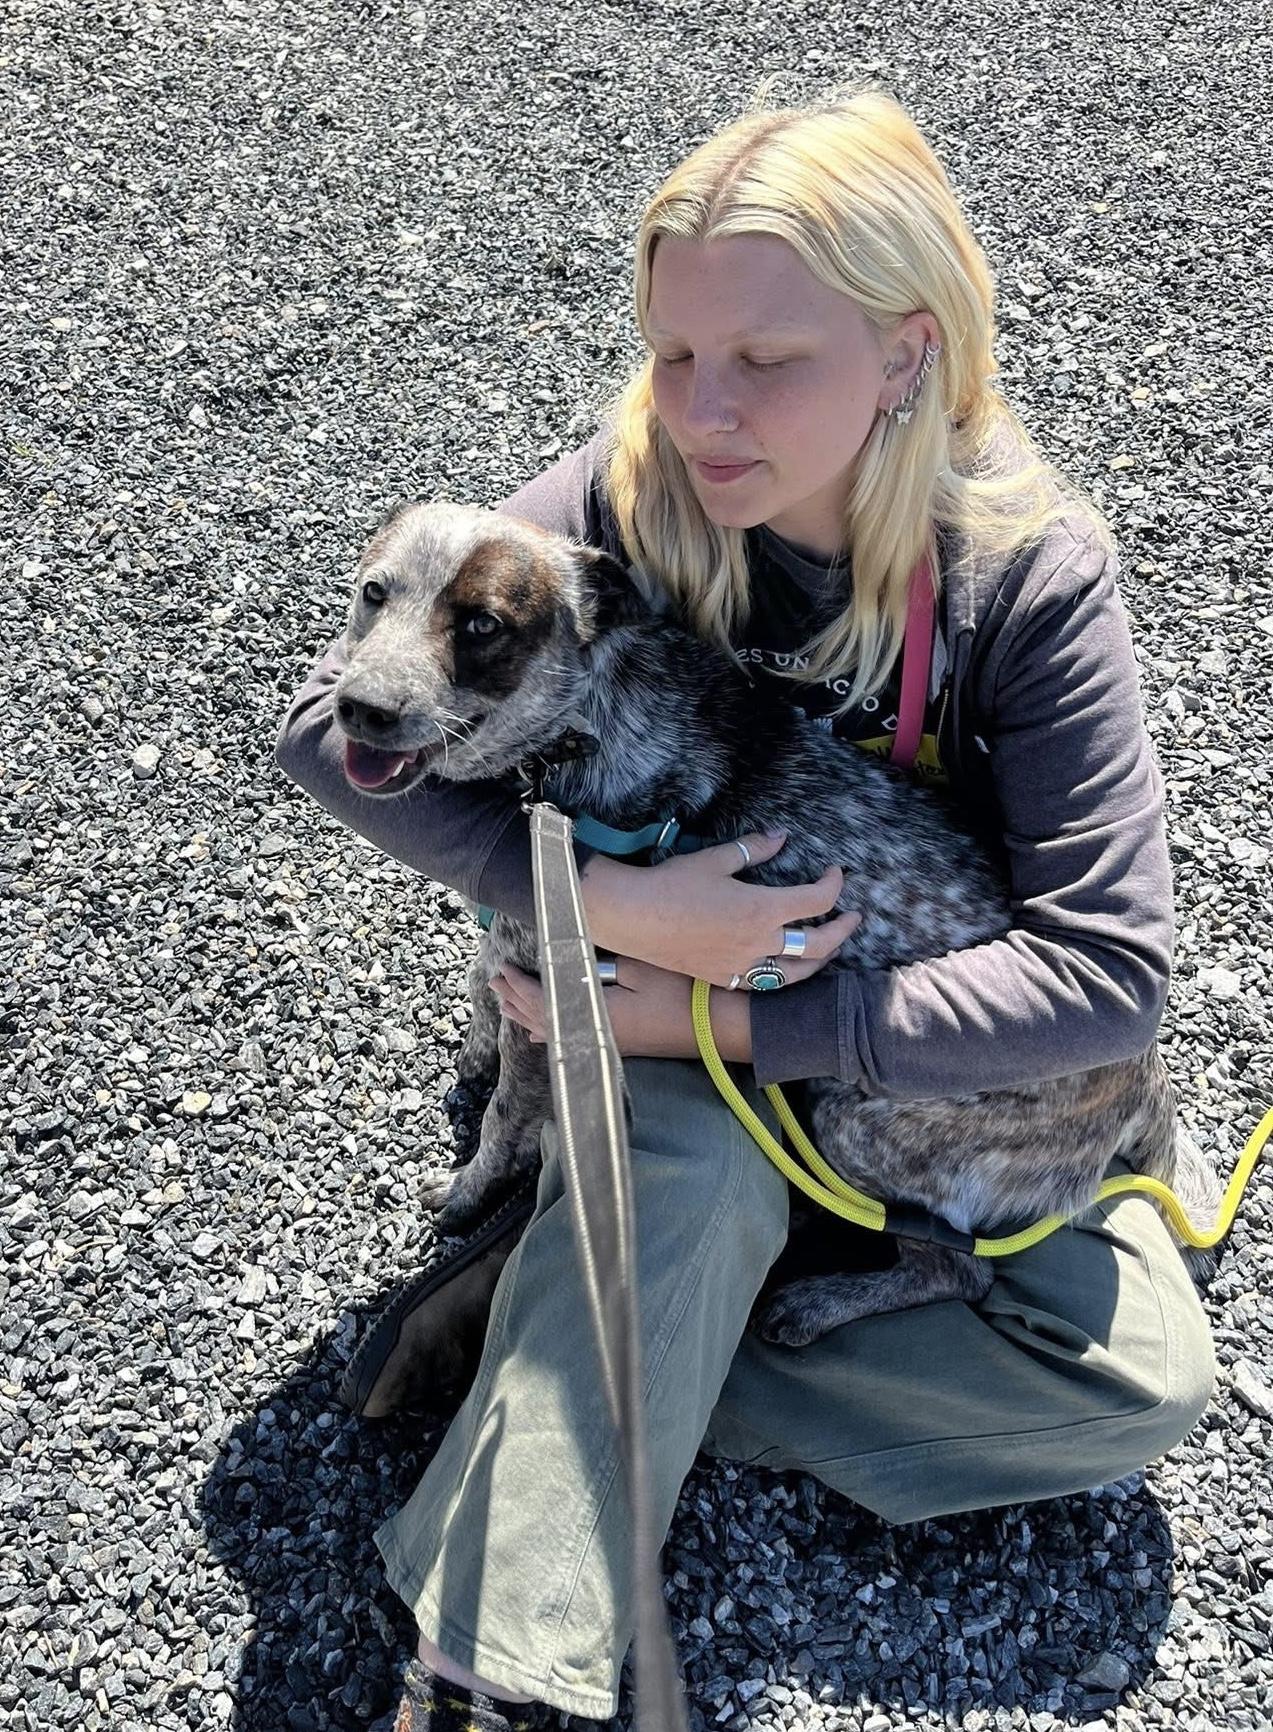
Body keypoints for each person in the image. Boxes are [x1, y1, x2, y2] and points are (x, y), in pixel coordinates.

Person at [274, 85, 1216, 1732]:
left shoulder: (1023, 577)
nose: (703, 412)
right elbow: (331, 729)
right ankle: (500, 1645)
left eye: (767, 360)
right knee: (683, 1171)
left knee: (1135, 1397)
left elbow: (1111, 980)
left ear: (911, 350)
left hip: (863, 1052)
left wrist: (727, 1009)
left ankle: (577, 1337)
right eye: (671, 353)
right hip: (683, 1044)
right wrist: (608, 908)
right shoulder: (624, 498)